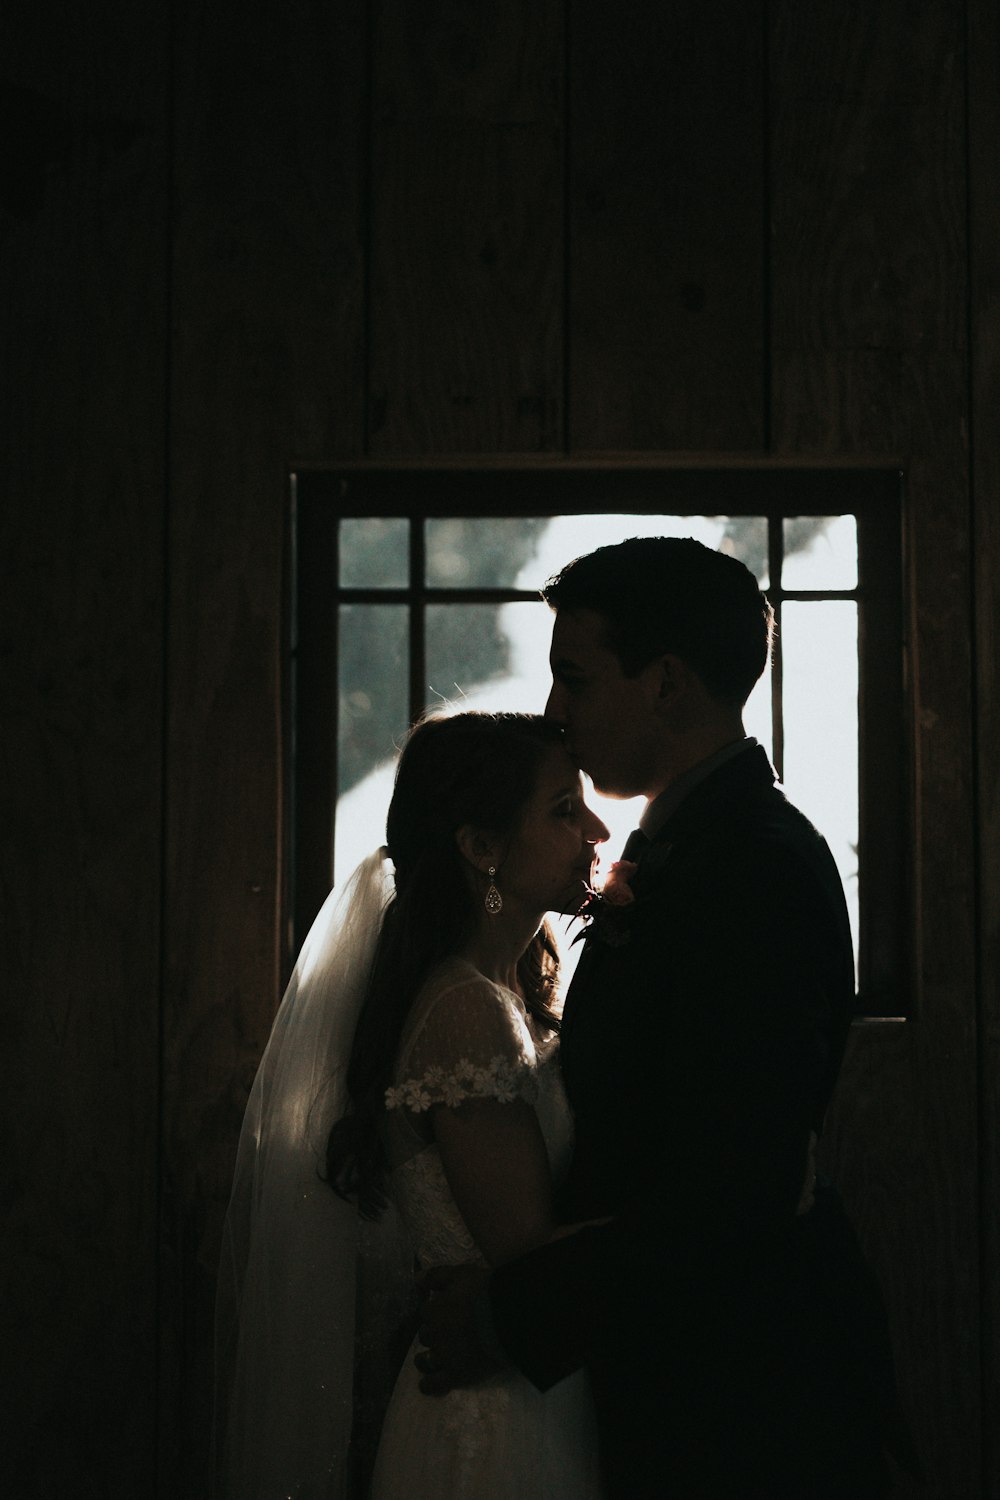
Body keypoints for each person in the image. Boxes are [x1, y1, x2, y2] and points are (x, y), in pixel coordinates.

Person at [417, 537, 910, 1499]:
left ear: (667, 683)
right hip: (683, 1379)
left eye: (577, 677)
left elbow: (733, 1190)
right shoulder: (691, 848)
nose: (556, 711)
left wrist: (511, 1316)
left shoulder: (753, 866)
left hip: (744, 1403)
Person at [215, 711, 612, 1499]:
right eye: (565, 810)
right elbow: (525, 1250)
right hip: (492, 1413)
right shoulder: (467, 1011)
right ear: (481, 847)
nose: (597, 830)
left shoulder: (506, 992)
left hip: (529, 1378)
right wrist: (704, 1222)